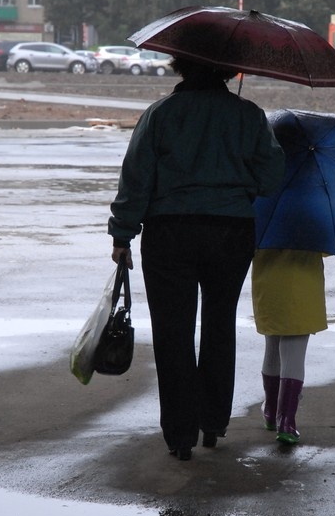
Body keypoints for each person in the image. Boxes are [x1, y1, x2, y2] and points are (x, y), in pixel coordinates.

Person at [108, 56, 285, 461]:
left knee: (173, 332)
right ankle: (213, 423)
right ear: (228, 70)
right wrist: (239, 185)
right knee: (220, 325)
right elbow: (273, 176)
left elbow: (136, 178)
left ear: (180, 66)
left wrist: (122, 234)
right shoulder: (249, 115)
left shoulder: (160, 115)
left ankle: (180, 436)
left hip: (169, 233)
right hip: (231, 232)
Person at [251, 248, 327, 445]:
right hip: (304, 282)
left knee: (272, 344)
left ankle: (270, 410)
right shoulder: (313, 216)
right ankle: (286, 421)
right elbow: (325, 248)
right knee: (294, 350)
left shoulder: (262, 216)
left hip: (268, 280)